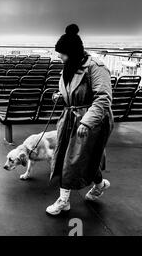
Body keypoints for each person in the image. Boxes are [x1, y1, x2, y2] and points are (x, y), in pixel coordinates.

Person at [46, 24, 114, 216]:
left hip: (91, 121)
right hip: (70, 118)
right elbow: (71, 91)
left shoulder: (95, 67)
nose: (60, 57)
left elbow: (103, 98)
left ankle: (63, 201)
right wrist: (61, 97)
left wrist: (86, 122)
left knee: (73, 159)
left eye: (63, 53)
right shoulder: (70, 66)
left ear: (73, 52)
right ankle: (100, 185)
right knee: (75, 157)